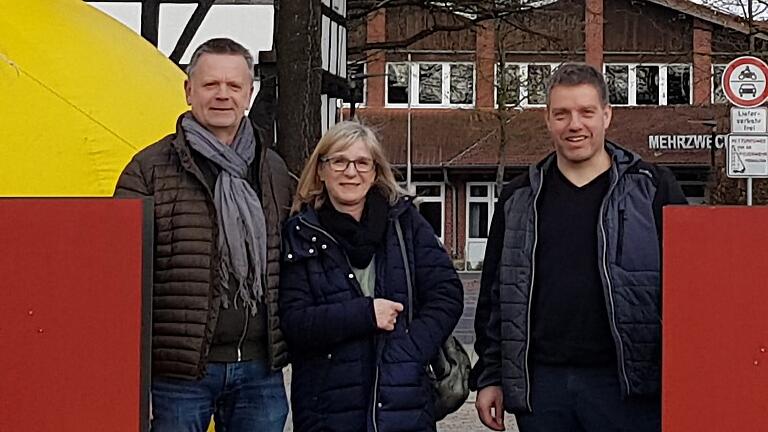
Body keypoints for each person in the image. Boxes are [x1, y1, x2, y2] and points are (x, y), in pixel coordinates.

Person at [471, 63, 688, 432]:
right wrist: (490, 375)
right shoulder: (519, 198)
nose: (575, 125)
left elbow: (690, 289)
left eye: (586, 112)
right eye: (562, 114)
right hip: (544, 389)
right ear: (548, 119)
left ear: (607, 115)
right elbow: (496, 295)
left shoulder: (654, 188)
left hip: (629, 389)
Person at [114, 38, 293, 432]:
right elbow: (120, 279)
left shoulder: (273, 170)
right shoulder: (148, 170)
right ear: (188, 90)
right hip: (179, 375)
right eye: (211, 85)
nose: (222, 96)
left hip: (260, 369)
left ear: (249, 94)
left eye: (234, 86)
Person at [279, 121, 464, 432]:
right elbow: (295, 322)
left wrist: (410, 349)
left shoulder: (405, 225)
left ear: (375, 172)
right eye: (338, 161)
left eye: (362, 162)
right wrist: (365, 314)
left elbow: (446, 293)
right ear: (321, 171)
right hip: (327, 406)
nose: (351, 172)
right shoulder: (300, 233)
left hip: (402, 401)